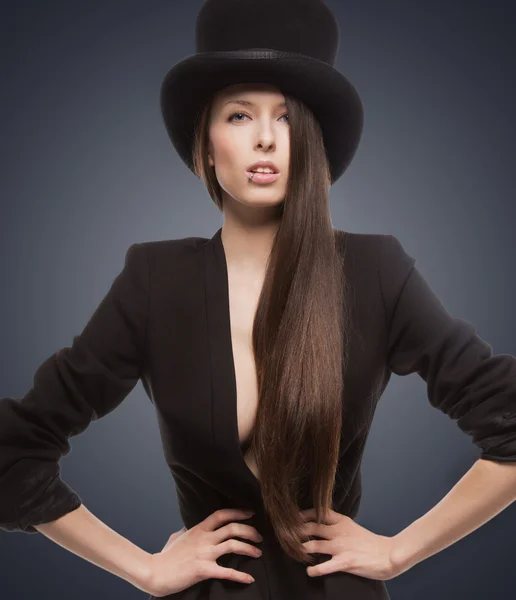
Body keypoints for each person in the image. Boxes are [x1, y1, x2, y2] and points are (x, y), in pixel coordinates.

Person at [2, 1, 516, 599]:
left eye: (288, 118)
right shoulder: (154, 278)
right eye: (240, 114)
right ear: (207, 139)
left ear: (315, 140)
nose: (267, 138)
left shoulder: (376, 271)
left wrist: (400, 552)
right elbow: (16, 452)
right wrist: (143, 568)